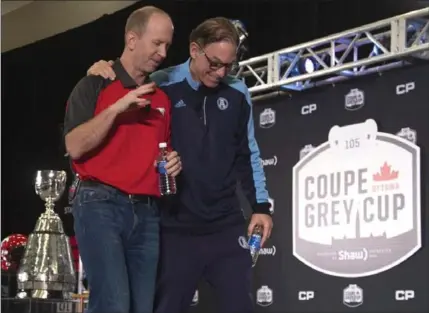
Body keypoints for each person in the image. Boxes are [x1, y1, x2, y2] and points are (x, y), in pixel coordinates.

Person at [87, 17, 273, 313]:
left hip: (225, 225)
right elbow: (123, 85)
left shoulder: (238, 92)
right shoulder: (161, 84)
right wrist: (103, 70)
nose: (221, 72)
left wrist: (261, 207)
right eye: (214, 63)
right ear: (194, 49)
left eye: (229, 65)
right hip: (174, 227)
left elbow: (248, 153)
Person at [63, 6, 182, 313]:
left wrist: (171, 162)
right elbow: (75, 146)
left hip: (146, 213)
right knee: (113, 305)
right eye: (156, 43)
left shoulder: (162, 99)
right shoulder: (94, 83)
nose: (162, 52)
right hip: (99, 204)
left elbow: (159, 151)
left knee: (141, 308)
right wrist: (117, 109)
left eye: (167, 45)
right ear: (132, 39)